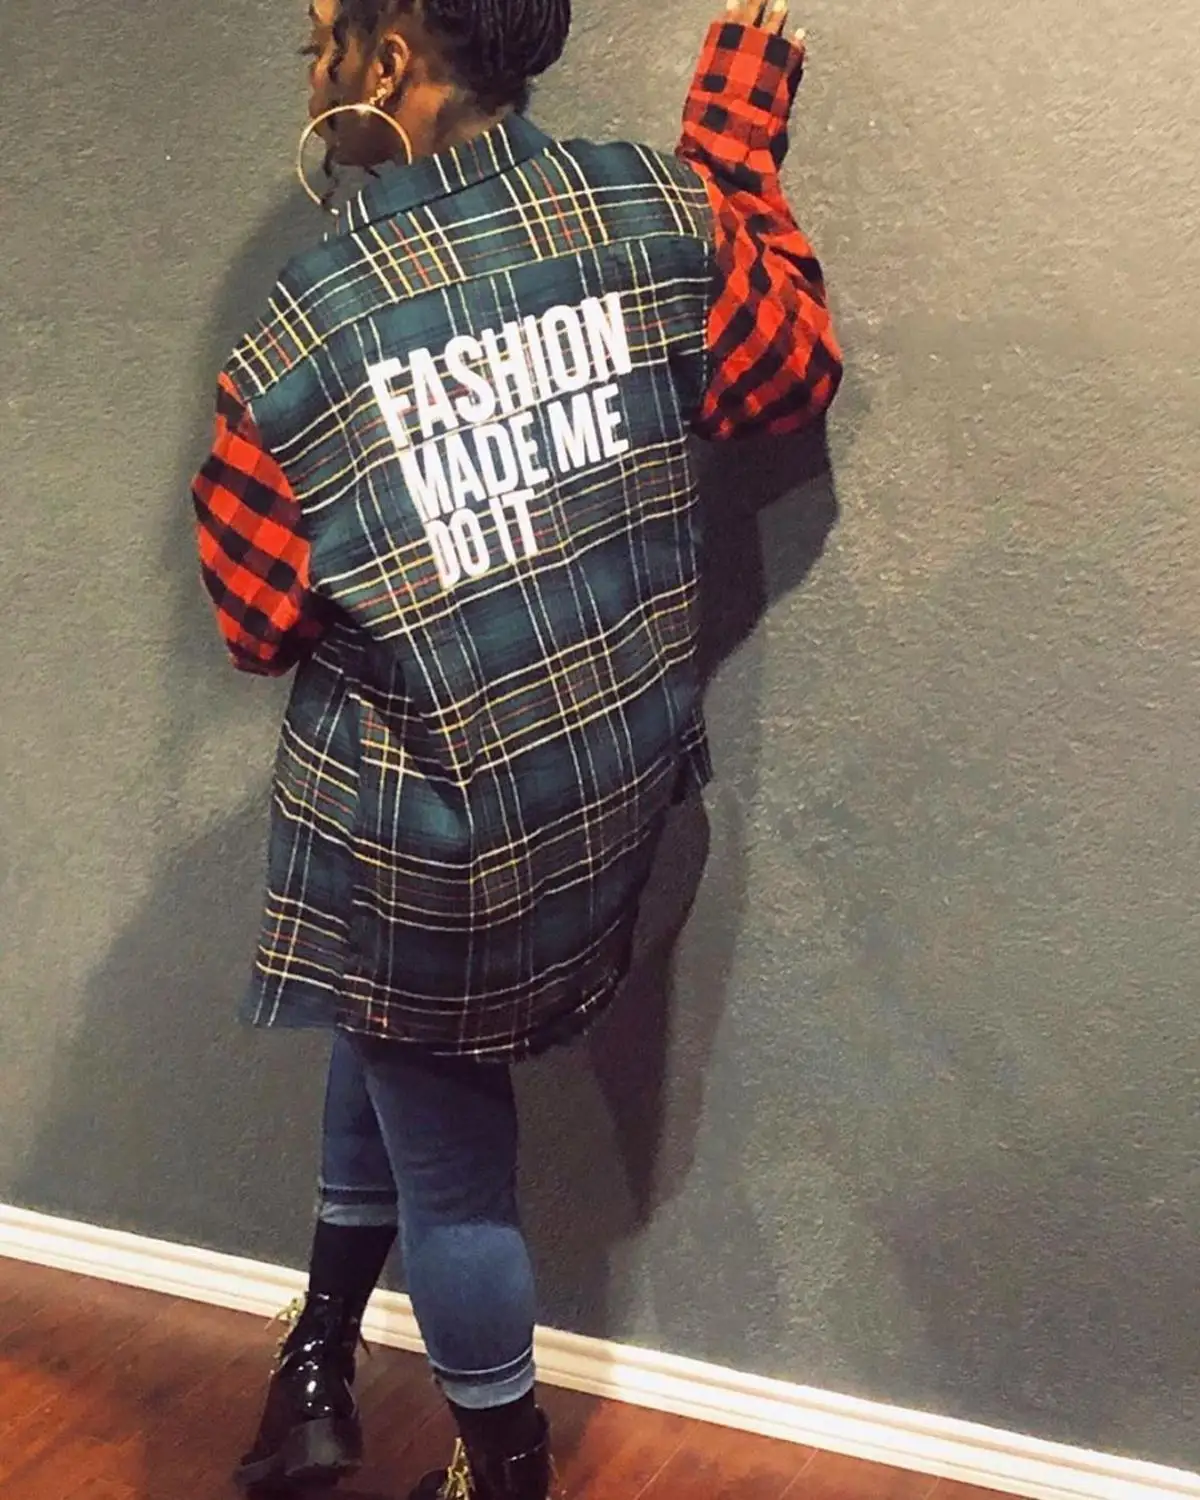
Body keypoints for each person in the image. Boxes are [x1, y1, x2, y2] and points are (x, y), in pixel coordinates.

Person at [191, 0, 841, 1494]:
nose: (310, 62)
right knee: (383, 1041)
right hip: (610, 797)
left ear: (390, 62)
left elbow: (255, 616)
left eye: (321, 37)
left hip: (431, 836)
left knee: (458, 1181)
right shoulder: (658, 211)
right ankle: (319, 1364)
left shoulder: (303, 331)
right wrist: (731, 135)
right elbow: (786, 365)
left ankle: (506, 1468)